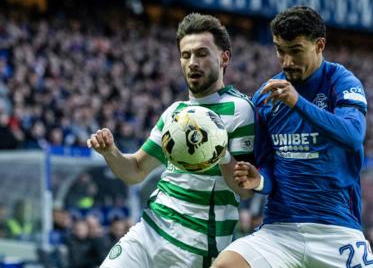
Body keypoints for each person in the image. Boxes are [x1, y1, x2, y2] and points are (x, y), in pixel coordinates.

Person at [212, 6, 373, 268]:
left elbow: (353, 135)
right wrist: (258, 181)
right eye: (280, 50)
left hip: (335, 230)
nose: (287, 61)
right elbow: (269, 168)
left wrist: (297, 102)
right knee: (226, 265)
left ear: (319, 45)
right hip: (280, 231)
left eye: (296, 50)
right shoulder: (266, 97)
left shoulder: (341, 82)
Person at [87, 13, 254, 268]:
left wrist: (220, 153)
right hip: (149, 231)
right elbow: (135, 171)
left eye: (201, 54)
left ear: (224, 58)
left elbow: (244, 189)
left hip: (197, 247)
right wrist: (111, 152)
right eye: (186, 55)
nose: (192, 62)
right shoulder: (175, 113)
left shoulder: (240, 110)